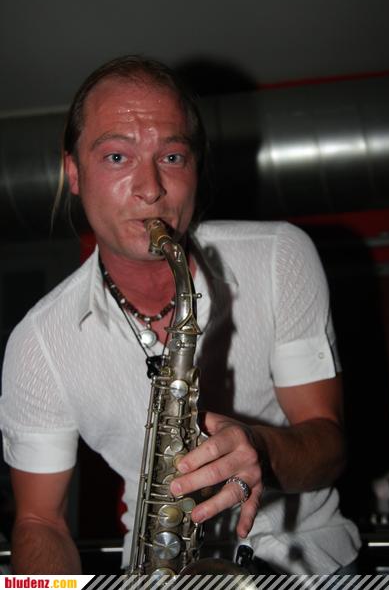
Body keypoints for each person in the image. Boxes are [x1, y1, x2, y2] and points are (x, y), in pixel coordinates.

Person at [0, 55, 361, 575]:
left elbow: (329, 445)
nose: (150, 189)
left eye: (171, 157)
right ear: (74, 173)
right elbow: (40, 521)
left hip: (307, 565)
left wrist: (261, 449)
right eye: (117, 157)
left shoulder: (280, 257)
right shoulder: (38, 341)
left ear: (196, 169)